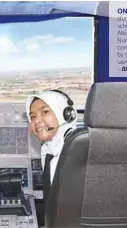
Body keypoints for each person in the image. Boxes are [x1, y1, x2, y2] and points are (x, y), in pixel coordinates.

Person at [26, 89, 77, 225]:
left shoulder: (76, 149)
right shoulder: (49, 149)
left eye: (45, 112)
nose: (37, 120)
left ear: (67, 114)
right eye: (32, 117)